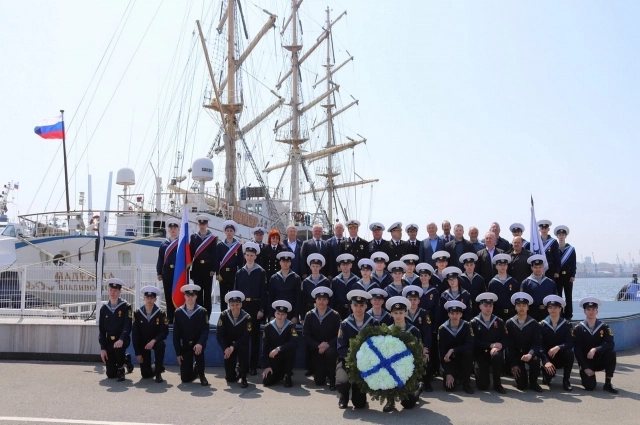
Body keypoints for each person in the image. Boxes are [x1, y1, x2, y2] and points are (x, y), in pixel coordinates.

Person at [382, 296, 425, 412]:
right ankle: (390, 400)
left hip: (408, 368)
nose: (398, 316)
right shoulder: (386, 331)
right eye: (395, 313)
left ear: (406, 313)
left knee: (408, 404)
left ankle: (418, 389)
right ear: (391, 314)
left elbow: (418, 352)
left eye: (401, 313)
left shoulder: (414, 331)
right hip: (391, 366)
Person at [336, 290, 376, 409]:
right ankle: (344, 395)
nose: (358, 308)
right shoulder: (345, 324)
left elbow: (377, 344)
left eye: (361, 305)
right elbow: (341, 347)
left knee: (359, 404)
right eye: (355, 305)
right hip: (347, 360)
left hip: (366, 363)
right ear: (351, 306)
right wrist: (354, 358)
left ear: (366, 306)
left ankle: (357, 390)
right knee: (342, 383)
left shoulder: (373, 322)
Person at [234, 241, 267, 376]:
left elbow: (264, 292)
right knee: (242, 337)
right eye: (247, 255)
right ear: (244, 256)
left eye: (251, 255)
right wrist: (236, 308)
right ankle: (243, 365)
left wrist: (261, 309)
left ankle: (253, 366)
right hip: (243, 307)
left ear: (255, 256)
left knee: (254, 338)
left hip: (255, 306)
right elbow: (236, 292)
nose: (249, 257)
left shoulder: (261, 272)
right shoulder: (239, 272)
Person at [574, 297, 618, 394]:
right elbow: (577, 350)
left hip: (600, 359)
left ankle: (608, 383)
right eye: (588, 309)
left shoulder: (604, 327)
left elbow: (610, 344)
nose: (591, 312)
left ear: (597, 311)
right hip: (587, 361)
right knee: (590, 386)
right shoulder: (579, 328)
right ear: (584, 311)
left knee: (611, 353)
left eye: (593, 309)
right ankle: (587, 375)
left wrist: (595, 349)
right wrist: (585, 367)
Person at [303, 287, 341, 390]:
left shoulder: (335, 315)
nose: (321, 302)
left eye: (324, 299)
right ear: (315, 301)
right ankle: (324, 373)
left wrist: (328, 344)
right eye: (319, 299)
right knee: (319, 382)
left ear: (328, 301)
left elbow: (339, 335)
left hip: (331, 347)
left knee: (330, 353)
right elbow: (306, 335)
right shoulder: (309, 315)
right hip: (316, 349)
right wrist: (318, 345)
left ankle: (333, 379)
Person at [470, 292, 507, 393]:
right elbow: (473, 341)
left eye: (490, 306)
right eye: (485, 306)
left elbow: (505, 339)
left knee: (497, 356)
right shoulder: (473, 322)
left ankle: (497, 384)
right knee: (482, 386)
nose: (488, 308)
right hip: (480, 354)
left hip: (495, 352)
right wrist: (490, 345)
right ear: (480, 307)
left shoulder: (499, 322)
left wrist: (500, 345)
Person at [173, 284, 210, 386]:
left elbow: (205, 330)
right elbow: (176, 335)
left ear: (196, 297)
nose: (190, 298)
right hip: (185, 345)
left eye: (192, 295)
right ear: (184, 296)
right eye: (188, 295)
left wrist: (200, 343)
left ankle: (202, 375)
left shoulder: (202, 311)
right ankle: (195, 371)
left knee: (198, 351)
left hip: (197, 344)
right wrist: (178, 353)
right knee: (185, 379)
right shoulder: (178, 312)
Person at [505, 292, 543, 392]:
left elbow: (537, 343)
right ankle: (521, 379)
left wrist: (530, 354)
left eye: (524, 305)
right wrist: (513, 364)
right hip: (517, 356)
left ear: (528, 307)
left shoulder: (534, 324)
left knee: (535, 360)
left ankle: (534, 382)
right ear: (515, 307)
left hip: (529, 354)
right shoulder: (509, 323)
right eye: (519, 305)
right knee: (522, 385)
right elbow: (509, 345)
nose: (521, 308)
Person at [99, 278, 133, 382]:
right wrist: (103, 348)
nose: (112, 293)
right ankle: (125, 358)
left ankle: (121, 369)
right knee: (110, 374)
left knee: (118, 347)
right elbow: (102, 331)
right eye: (110, 290)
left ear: (119, 292)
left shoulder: (126, 306)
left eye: (115, 290)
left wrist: (121, 339)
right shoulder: (104, 309)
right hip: (110, 341)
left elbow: (128, 326)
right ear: (108, 291)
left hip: (122, 339)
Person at [132, 285, 168, 383]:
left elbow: (164, 332)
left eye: (151, 298)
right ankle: (155, 368)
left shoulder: (161, 313)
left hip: (155, 341)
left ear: (155, 299)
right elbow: (135, 335)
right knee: (145, 375)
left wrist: (154, 341)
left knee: (161, 345)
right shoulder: (137, 313)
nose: (149, 300)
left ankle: (158, 372)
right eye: (147, 297)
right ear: (144, 299)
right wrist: (138, 353)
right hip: (143, 343)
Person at [539, 295, 575, 392]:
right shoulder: (542, 325)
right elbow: (539, 345)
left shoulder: (567, 325)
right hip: (547, 357)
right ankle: (547, 374)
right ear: (547, 309)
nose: (553, 310)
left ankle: (566, 380)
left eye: (555, 307)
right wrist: (546, 361)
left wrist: (559, 347)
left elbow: (570, 343)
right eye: (550, 307)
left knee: (569, 353)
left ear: (560, 309)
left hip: (561, 356)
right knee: (547, 381)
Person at [438, 300, 474, 394]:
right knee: (449, 388)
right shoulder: (442, 329)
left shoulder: (467, 326)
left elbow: (470, 344)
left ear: (461, 314)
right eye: (452, 313)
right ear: (448, 314)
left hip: (463, 358)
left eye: (457, 313)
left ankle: (466, 383)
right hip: (450, 361)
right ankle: (454, 376)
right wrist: (448, 373)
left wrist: (453, 350)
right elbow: (441, 352)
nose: (454, 316)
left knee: (468, 353)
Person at [216, 290, 251, 388]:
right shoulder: (224, 315)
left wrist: (233, 346)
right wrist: (225, 348)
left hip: (240, 344)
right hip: (228, 346)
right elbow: (219, 335)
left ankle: (243, 377)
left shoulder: (247, 317)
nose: (235, 307)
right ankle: (236, 371)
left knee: (243, 349)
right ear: (229, 305)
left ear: (241, 305)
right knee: (230, 378)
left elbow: (246, 337)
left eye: (237, 304)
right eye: (232, 305)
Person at [403, 285, 433, 392]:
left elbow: (427, 333)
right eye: (410, 299)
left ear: (419, 301)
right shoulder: (402, 313)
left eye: (415, 299)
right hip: (406, 346)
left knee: (426, 357)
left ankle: (427, 382)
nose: (412, 302)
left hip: (421, 345)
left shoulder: (424, 314)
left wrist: (425, 347)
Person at [262, 300, 298, 388]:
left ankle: (288, 375)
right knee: (267, 381)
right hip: (274, 358)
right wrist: (267, 366)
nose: (280, 316)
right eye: (278, 314)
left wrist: (279, 348)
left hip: (286, 356)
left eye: (282, 314)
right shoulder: (268, 327)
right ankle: (278, 374)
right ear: (275, 314)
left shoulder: (290, 326)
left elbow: (294, 342)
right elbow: (265, 347)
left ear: (286, 316)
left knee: (290, 350)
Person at [189, 215, 218, 317]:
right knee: (198, 293)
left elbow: (214, 254)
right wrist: (188, 267)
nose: (202, 226)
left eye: (204, 224)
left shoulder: (212, 238)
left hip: (208, 268)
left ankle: (207, 316)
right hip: (197, 268)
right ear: (198, 225)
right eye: (200, 224)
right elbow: (191, 253)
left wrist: (214, 269)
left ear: (207, 225)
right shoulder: (193, 237)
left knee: (207, 294)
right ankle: (199, 315)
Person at [216, 220, 243, 311]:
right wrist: (217, 273)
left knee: (233, 295)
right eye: (227, 231)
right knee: (223, 294)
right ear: (225, 232)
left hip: (233, 273)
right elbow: (217, 260)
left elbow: (240, 261)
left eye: (231, 231)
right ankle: (223, 314)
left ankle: (233, 313)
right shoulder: (220, 245)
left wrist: (240, 274)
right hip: (223, 273)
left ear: (234, 232)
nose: (229, 232)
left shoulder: (238, 245)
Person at [521, 254, 557, 322]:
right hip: (532, 313)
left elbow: (555, 300)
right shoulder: (526, 283)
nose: (538, 269)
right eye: (535, 267)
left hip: (547, 313)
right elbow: (523, 301)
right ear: (532, 268)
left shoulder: (550, 282)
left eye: (540, 267)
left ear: (543, 267)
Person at [267, 251, 301, 322]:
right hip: (277, 313)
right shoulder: (274, 278)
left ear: (290, 263)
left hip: (291, 314)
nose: (285, 263)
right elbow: (270, 298)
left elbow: (298, 298)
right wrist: (271, 315)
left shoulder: (296, 278)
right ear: (280, 262)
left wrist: (296, 316)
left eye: (287, 261)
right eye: (283, 261)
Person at [156, 218, 179, 322]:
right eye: (171, 228)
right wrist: (159, 272)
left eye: (175, 228)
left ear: (178, 229)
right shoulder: (164, 244)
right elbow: (160, 259)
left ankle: (178, 317)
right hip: (167, 272)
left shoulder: (181, 243)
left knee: (177, 294)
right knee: (168, 295)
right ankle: (170, 317)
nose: (173, 230)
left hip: (178, 272)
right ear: (168, 230)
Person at [487, 253, 520, 322]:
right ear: (496, 267)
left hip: (512, 314)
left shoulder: (513, 282)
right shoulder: (492, 283)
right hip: (497, 314)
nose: (503, 267)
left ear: (507, 266)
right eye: (500, 265)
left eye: (504, 265)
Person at [555, 225, 576, 320]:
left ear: (565, 236)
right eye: (559, 235)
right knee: (558, 296)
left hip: (568, 276)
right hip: (558, 276)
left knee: (568, 296)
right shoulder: (555, 248)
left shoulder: (571, 249)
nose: (561, 236)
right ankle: (559, 314)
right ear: (557, 236)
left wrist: (573, 275)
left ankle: (568, 315)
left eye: (563, 234)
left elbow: (573, 263)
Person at [331, 253, 359, 319]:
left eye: (347, 264)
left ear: (351, 265)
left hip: (352, 310)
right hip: (338, 309)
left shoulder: (357, 280)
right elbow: (332, 299)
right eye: (343, 265)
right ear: (340, 266)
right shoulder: (335, 281)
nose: (345, 266)